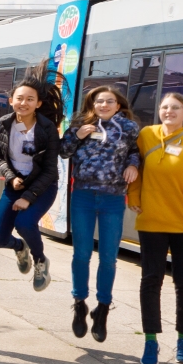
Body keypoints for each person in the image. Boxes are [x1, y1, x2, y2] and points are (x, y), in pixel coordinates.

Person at [127, 93, 183, 364]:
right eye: (165, 107)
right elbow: (135, 167)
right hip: (152, 221)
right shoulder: (146, 136)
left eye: (175, 108)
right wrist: (135, 197)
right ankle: (151, 341)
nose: (169, 111)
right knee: (151, 280)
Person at [61, 84, 140, 343]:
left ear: (118, 105)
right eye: (98, 101)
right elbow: (63, 151)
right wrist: (77, 136)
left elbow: (136, 152)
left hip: (113, 198)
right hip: (83, 195)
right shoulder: (80, 126)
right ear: (92, 105)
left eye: (109, 101)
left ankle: (103, 309)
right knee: (81, 254)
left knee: (108, 258)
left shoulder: (129, 128)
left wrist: (133, 165)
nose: (103, 105)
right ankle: (79, 304)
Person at [0, 78, 62, 292]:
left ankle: (40, 261)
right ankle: (20, 246)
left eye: (30, 99)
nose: (24, 103)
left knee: (24, 223)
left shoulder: (47, 129)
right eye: (19, 98)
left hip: (42, 187)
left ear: (38, 104)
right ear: (11, 101)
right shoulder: (4, 123)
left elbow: (50, 170)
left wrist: (28, 196)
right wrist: (11, 177)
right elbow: (1, 157)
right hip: (15, 185)